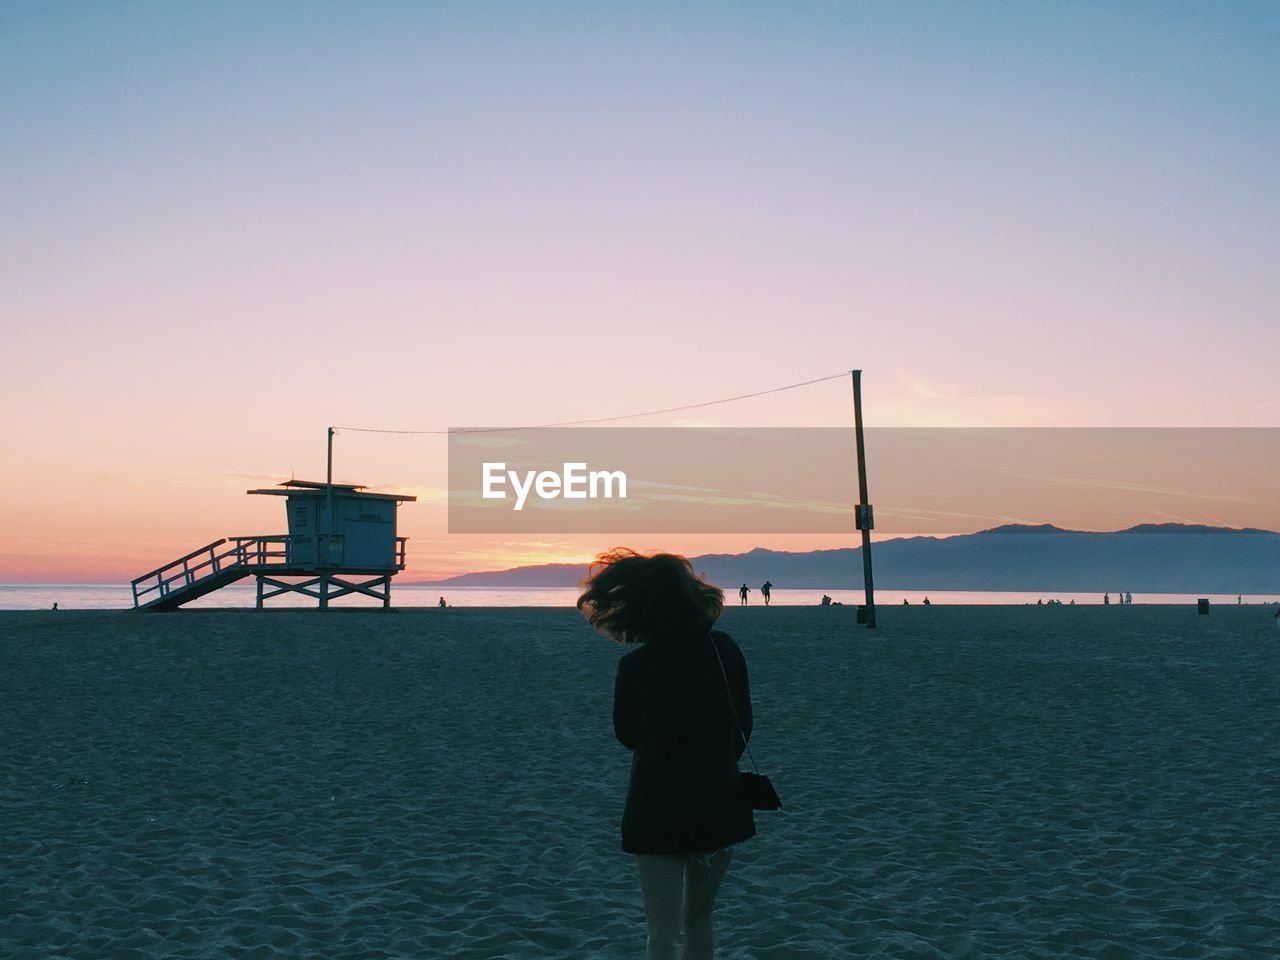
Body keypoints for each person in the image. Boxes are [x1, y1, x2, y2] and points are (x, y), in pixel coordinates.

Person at [578, 549, 755, 960]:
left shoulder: (637, 665)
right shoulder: (723, 649)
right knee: (699, 919)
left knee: (661, 931)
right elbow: (742, 726)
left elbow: (626, 734)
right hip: (719, 798)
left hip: (656, 804)